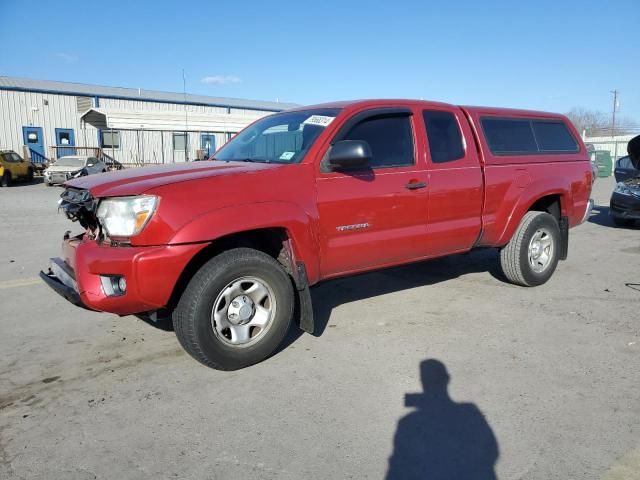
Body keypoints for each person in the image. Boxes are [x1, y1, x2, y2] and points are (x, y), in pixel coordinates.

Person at [386, 359, 499, 480]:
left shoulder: (407, 422)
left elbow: (399, 464)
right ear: (447, 379)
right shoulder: (469, 412)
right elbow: (491, 449)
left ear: (423, 383)